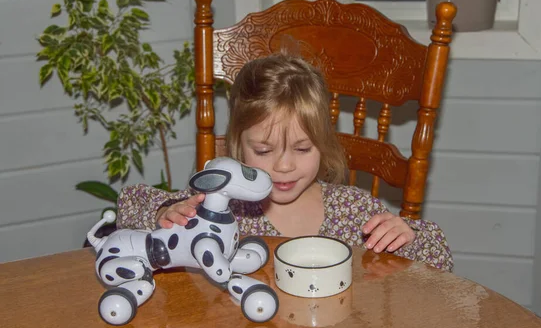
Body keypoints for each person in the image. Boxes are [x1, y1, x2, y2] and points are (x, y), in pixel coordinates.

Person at [117, 52, 453, 272]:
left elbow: (440, 259)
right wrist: (166, 212)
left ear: (322, 145)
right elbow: (130, 203)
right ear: (238, 146)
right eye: (263, 151)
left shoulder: (351, 210)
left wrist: (408, 236)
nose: (284, 166)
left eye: (303, 149)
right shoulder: (218, 209)